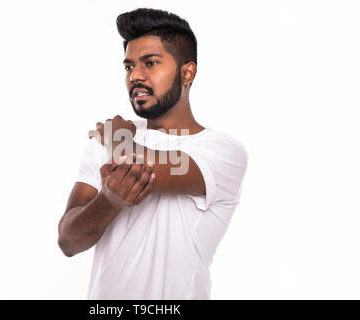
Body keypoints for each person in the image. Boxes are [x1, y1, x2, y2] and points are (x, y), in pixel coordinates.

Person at [57, 8, 248, 299]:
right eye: (129, 66)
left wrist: (118, 141)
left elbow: (144, 169)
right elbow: (68, 242)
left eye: (151, 63)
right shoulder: (108, 139)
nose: (135, 76)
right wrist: (107, 201)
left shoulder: (221, 151)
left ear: (188, 72)